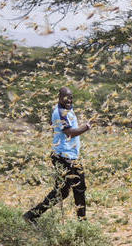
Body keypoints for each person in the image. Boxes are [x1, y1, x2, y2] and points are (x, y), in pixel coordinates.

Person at [23, 87, 91, 224]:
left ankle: (31, 216)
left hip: (69, 156)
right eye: (66, 97)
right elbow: (69, 132)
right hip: (64, 157)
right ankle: (82, 223)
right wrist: (86, 127)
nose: (69, 100)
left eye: (71, 97)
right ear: (59, 97)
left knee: (62, 192)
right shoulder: (59, 112)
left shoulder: (68, 109)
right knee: (79, 188)